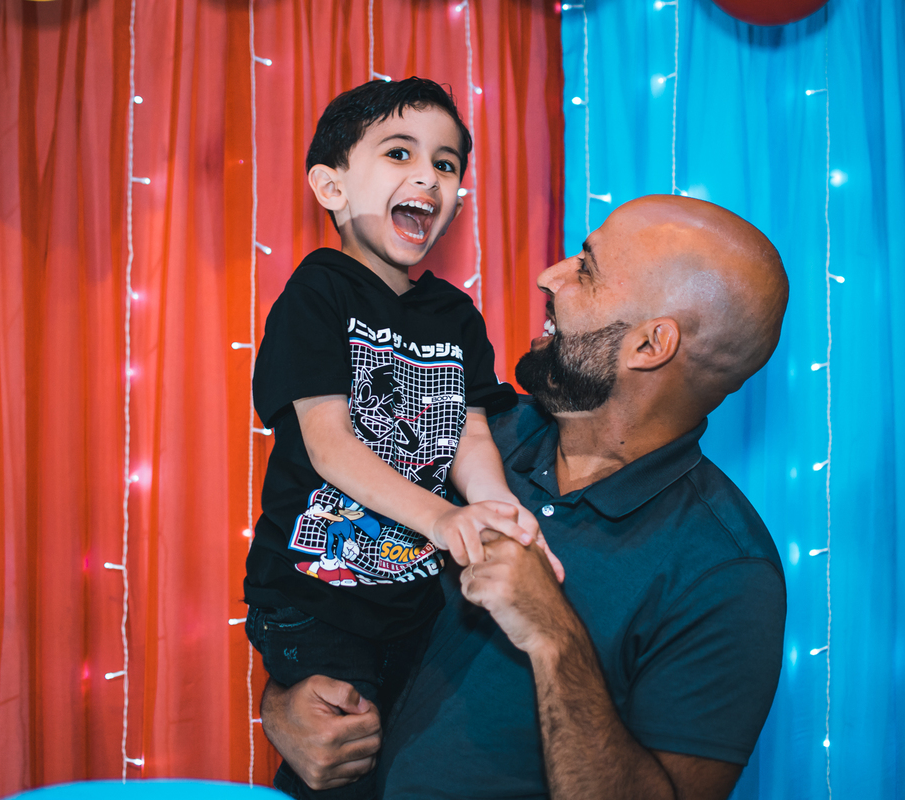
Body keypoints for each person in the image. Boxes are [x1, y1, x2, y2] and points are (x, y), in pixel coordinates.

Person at [259, 195, 792, 800]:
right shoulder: (459, 431)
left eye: (585, 268)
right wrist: (284, 704)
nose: (549, 276)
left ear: (651, 346)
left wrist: (554, 637)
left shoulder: (727, 572)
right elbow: (319, 581)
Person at [245, 77, 561, 800]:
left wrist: (494, 508)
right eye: (398, 153)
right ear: (330, 187)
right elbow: (328, 445)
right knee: (343, 760)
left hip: (410, 594)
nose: (428, 175)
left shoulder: (453, 314)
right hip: (316, 594)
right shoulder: (317, 293)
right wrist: (443, 516)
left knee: (415, 755)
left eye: (447, 165)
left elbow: (469, 428)